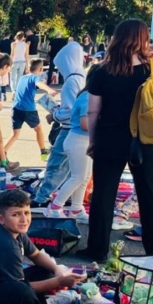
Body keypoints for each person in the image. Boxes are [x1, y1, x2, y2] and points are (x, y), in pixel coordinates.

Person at [79, 19, 153, 261]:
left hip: (110, 140)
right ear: (143, 39)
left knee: (103, 195)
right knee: (151, 195)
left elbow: (93, 111)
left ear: (116, 37)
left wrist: (93, 140)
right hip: (148, 140)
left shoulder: (101, 70)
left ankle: (97, 250)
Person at [33, 40, 89, 208]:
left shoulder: (72, 81)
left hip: (69, 130)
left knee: (56, 165)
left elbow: (72, 112)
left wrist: (55, 115)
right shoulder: (82, 77)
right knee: (74, 169)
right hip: (80, 132)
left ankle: (42, 198)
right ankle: (70, 200)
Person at [44, 89, 91, 221]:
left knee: (84, 178)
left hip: (83, 141)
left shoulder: (88, 96)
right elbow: (85, 124)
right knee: (77, 177)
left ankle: (76, 209)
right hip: (79, 141)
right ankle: (55, 207)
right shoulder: (88, 97)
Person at [5, 59, 57, 158]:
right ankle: (43, 151)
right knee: (38, 129)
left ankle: (3, 152)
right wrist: (49, 90)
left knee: (15, 134)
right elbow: (39, 84)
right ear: (41, 69)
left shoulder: (23, 78)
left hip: (16, 108)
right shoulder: (35, 78)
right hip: (28, 110)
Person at [7, 32, 29, 100]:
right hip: (22, 62)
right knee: (19, 78)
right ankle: (18, 92)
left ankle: (13, 91)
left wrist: (9, 64)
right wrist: (27, 65)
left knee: (12, 78)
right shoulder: (26, 45)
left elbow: (12, 54)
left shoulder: (13, 44)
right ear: (23, 37)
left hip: (14, 62)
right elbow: (26, 55)